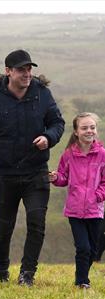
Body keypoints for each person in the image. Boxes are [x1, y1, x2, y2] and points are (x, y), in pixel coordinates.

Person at [0, 49, 65, 286]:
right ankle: (1, 272)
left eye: (29, 69)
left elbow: (57, 123)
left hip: (36, 172)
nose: (27, 74)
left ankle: (27, 274)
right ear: (8, 71)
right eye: (22, 70)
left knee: (36, 223)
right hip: (5, 174)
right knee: (4, 226)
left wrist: (48, 138)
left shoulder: (43, 94)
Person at [49, 112, 105, 289]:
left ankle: (82, 276)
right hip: (74, 210)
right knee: (83, 248)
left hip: (95, 210)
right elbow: (63, 178)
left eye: (92, 127)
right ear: (76, 132)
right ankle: (82, 281)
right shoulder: (68, 155)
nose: (89, 131)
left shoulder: (103, 154)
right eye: (84, 128)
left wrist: (98, 196)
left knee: (93, 250)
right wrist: (55, 177)